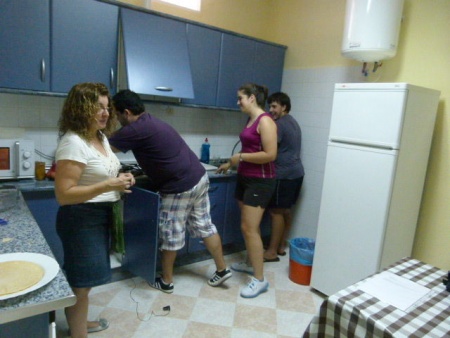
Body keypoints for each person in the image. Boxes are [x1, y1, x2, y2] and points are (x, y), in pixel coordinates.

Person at [108, 89, 232, 294]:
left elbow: (104, 149)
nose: (116, 119)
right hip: (199, 177)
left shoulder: (134, 129)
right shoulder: (150, 121)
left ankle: (166, 281)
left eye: (116, 114)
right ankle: (222, 269)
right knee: (205, 225)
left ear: (127, 112)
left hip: (179, 186)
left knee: (170, 233)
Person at [54, 83, 135, 338]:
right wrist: (109, 184)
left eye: (106, 107)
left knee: (85, 282)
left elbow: (105, 173)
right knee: (81, 283)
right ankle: (79, 333)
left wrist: (122, 178)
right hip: (80, 218)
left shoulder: (100, 138)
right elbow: (64, 194)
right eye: (97, 107)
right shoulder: (73, 142)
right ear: (80, 109)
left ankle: (79, 323)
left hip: (101, 215)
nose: (105, 113)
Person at [217, 83, 277, 298]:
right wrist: (231, 164)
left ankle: (260, 280)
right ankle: (252, 263)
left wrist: (240, 157)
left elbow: (270, 154)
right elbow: (250, 149)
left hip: (260, 182)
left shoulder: (266, 121)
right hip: (245, 177)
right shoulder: (251, 120)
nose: (238, 102)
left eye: (240, 98)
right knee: (251, 227)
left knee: (249, 228)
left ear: (252, 98)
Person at [264, 92, 304, 262]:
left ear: (284, 107)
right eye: (270, 106)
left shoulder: (279, 125)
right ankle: (280, 246)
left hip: (284, 175)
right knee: (285, 210)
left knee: (275, 212)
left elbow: (270, 150)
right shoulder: (293, 122)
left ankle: (272, 251)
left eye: (274, 106)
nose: (271, 110)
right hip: (297, 173)